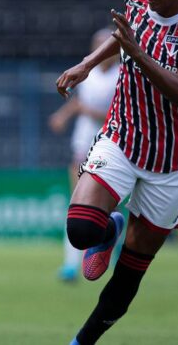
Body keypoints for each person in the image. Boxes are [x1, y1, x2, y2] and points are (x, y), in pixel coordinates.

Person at [55, 0, 178, 344]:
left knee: (127, 280)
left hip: (171, 162)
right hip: (123, 138)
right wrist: (87, 64)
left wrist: (137, 52)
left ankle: (81, 341)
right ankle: (108, 228)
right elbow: (123, 34)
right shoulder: (136, 0)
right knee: (80, 229)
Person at [48, 27, 118, 282]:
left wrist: (87, 111)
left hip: (113, 146)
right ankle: (70, 264)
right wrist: (62, 116)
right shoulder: (87, 74)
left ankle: (108, 251)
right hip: (83, 144)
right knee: (76, 204)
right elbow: (77, 103)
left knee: (108, 208)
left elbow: (116, 113)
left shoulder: (122, 76)